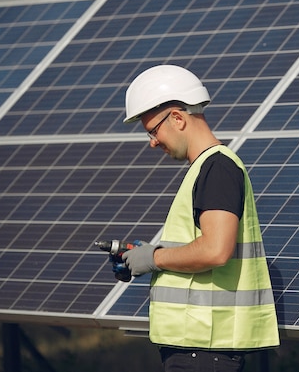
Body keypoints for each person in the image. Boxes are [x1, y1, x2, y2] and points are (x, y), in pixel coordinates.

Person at [117, 64, 280, 372]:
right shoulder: (207, 169)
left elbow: (215, 250)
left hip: (205, 351)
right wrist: (149, 255)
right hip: (199, 349)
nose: (152, 142)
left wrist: (154, 258)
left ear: (177, 118)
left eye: (153, 131)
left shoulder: (217, 168)